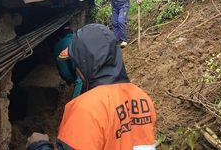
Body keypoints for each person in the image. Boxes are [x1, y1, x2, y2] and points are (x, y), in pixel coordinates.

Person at [26, 24, 156, 150]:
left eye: (76, 62)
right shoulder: (142, 98)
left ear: (86, 63)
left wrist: (39, 145)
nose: (76, 68)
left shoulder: (86, 109)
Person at [53, 27, 82, 98]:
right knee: (80, 80)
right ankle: (75, 104)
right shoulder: (71, 40)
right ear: (72, 33)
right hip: (73, 72)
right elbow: (74, 61)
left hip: (65, 76)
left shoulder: (57, 45)